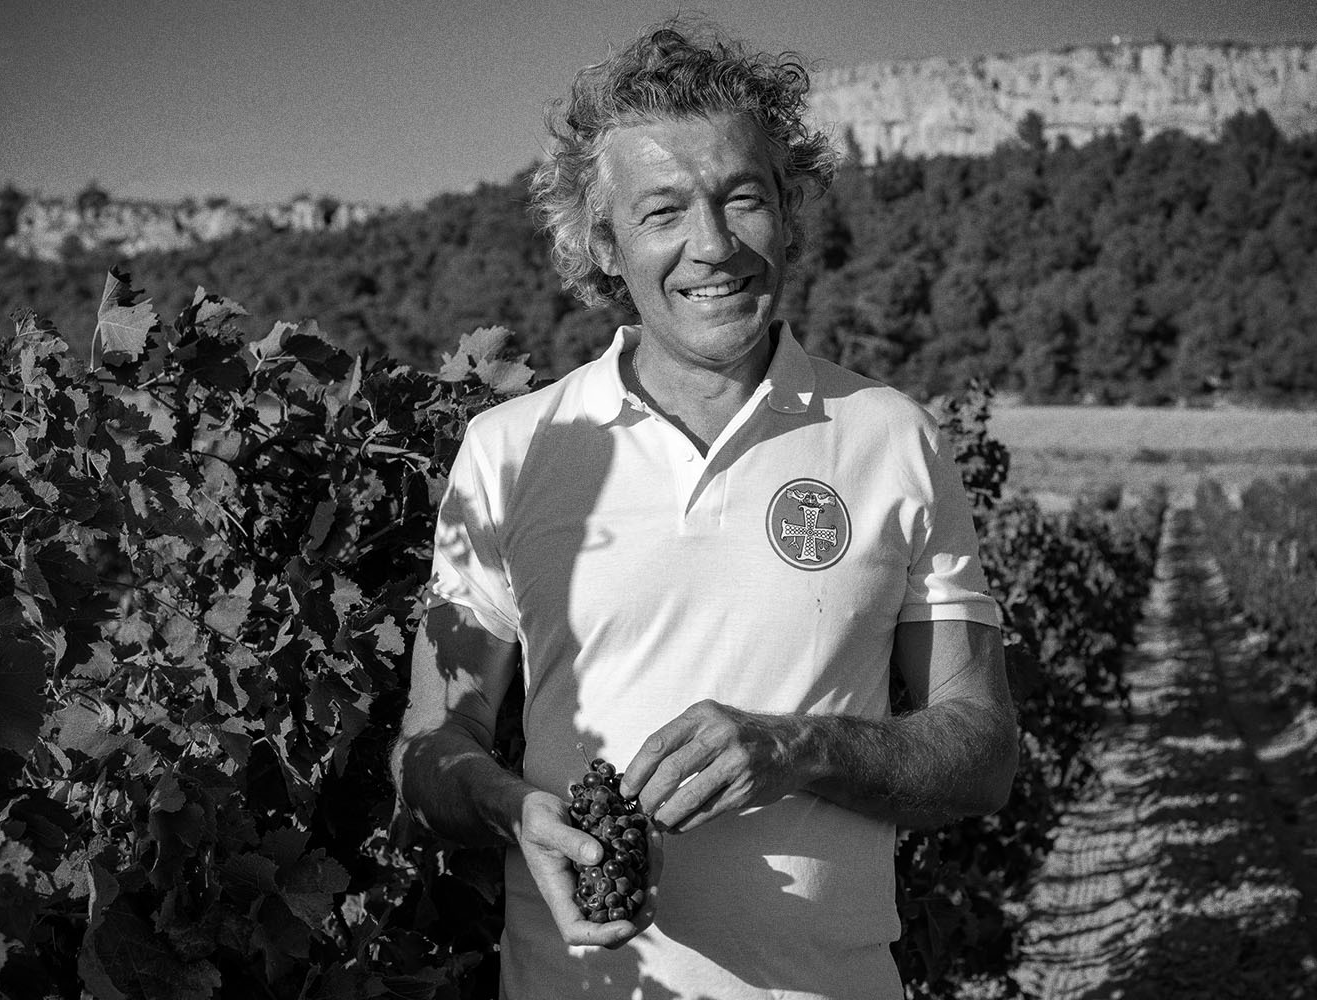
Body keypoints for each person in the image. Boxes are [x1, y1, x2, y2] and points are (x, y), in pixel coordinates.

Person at [392, 21, 1018, 1000]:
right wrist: (513, 809)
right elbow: (431, 747)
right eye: (664, 212)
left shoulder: (893, 436)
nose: (715, 247)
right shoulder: (511, 449)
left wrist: (797, 746)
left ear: (790, 209)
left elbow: (981, 748)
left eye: (743, 199)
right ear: (604, 243)